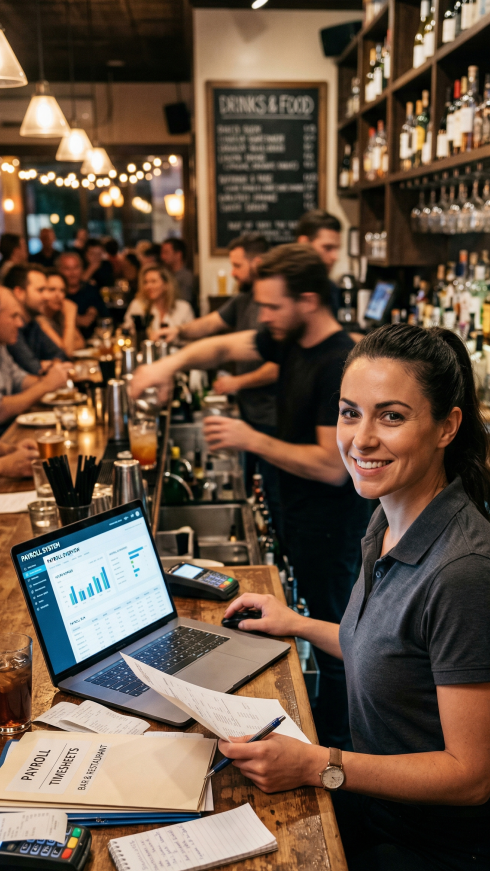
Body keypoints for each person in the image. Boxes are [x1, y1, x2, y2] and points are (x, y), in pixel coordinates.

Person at [205, 322, 490, 871]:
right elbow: (391, 646)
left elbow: (470, 776)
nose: (360, 439)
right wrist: (297, 624)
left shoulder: (465, 575)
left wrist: (322, 763)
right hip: (391, 815)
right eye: (350, 414)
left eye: (392, 417)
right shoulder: (390, 517)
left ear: (447, 426)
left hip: (461, 861)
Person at [129, 244, 371, 749]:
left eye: (272, 307)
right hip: (297, 515)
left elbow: (333, 467)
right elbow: (221, 347)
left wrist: (248, 438)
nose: (263, 317)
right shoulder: (291, 339)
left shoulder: (338, 362)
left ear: (307, 300)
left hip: (331, 526)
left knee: (340, 642)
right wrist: (166, 364)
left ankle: (343, 748)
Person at [162, 233, 280, 516]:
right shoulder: (244, 299)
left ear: (258, 262)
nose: (232, 272)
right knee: (256, 492)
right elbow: (212, 326)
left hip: (270, 415)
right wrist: (177, 332)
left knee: (270, 494)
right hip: (249, 409)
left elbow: (277, 365)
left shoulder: (273, 306)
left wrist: (237, 382)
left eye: (238, 265)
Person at [0, 285, 69, 439]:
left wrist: (54, 379)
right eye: (13, 316)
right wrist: (46, 385)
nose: (20, 323)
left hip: (8, 435)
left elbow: (19, 379)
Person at [5, 264, 68, 375]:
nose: (47, 296)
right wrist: (44, 366)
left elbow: (60, 354)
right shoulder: (10, 327)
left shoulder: (32, 323)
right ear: (19, 292)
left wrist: (54, 364)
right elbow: (34, 369)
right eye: (40, 290)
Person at [123, 265, 194, 340]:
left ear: (166, 285)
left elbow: (192, 337)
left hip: (180, 350)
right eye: (146, 282)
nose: (148, 286)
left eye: (153, 281)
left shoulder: (183, 308)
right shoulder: (137, 305)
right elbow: (126, 332)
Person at [296, 209, 342, 319]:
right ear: (304, 244)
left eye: (337, 248)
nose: (335, 257)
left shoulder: (331, 288)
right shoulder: (283, 286)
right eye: (328, 248)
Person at [56, 251, 107, 339]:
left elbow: (104, 317)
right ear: (59, 271)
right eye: (67, 269)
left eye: (76, 268)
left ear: (82, 269)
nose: (72, 273)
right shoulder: (57, 295)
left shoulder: (90, 289)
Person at [39, 271, 85, 357]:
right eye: (52, 289)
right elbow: (66, 353)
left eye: (62, 290)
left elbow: (81, 342)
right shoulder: (39, 320)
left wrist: (67, 344)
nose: (58, 295)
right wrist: (70, 316)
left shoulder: (59, 315)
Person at [160, 238, 195, 306]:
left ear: (178, 254)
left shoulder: (186, 276)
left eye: (166, 252)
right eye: (162, 253)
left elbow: (184, 302)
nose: (162, 256)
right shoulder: (167, 274)